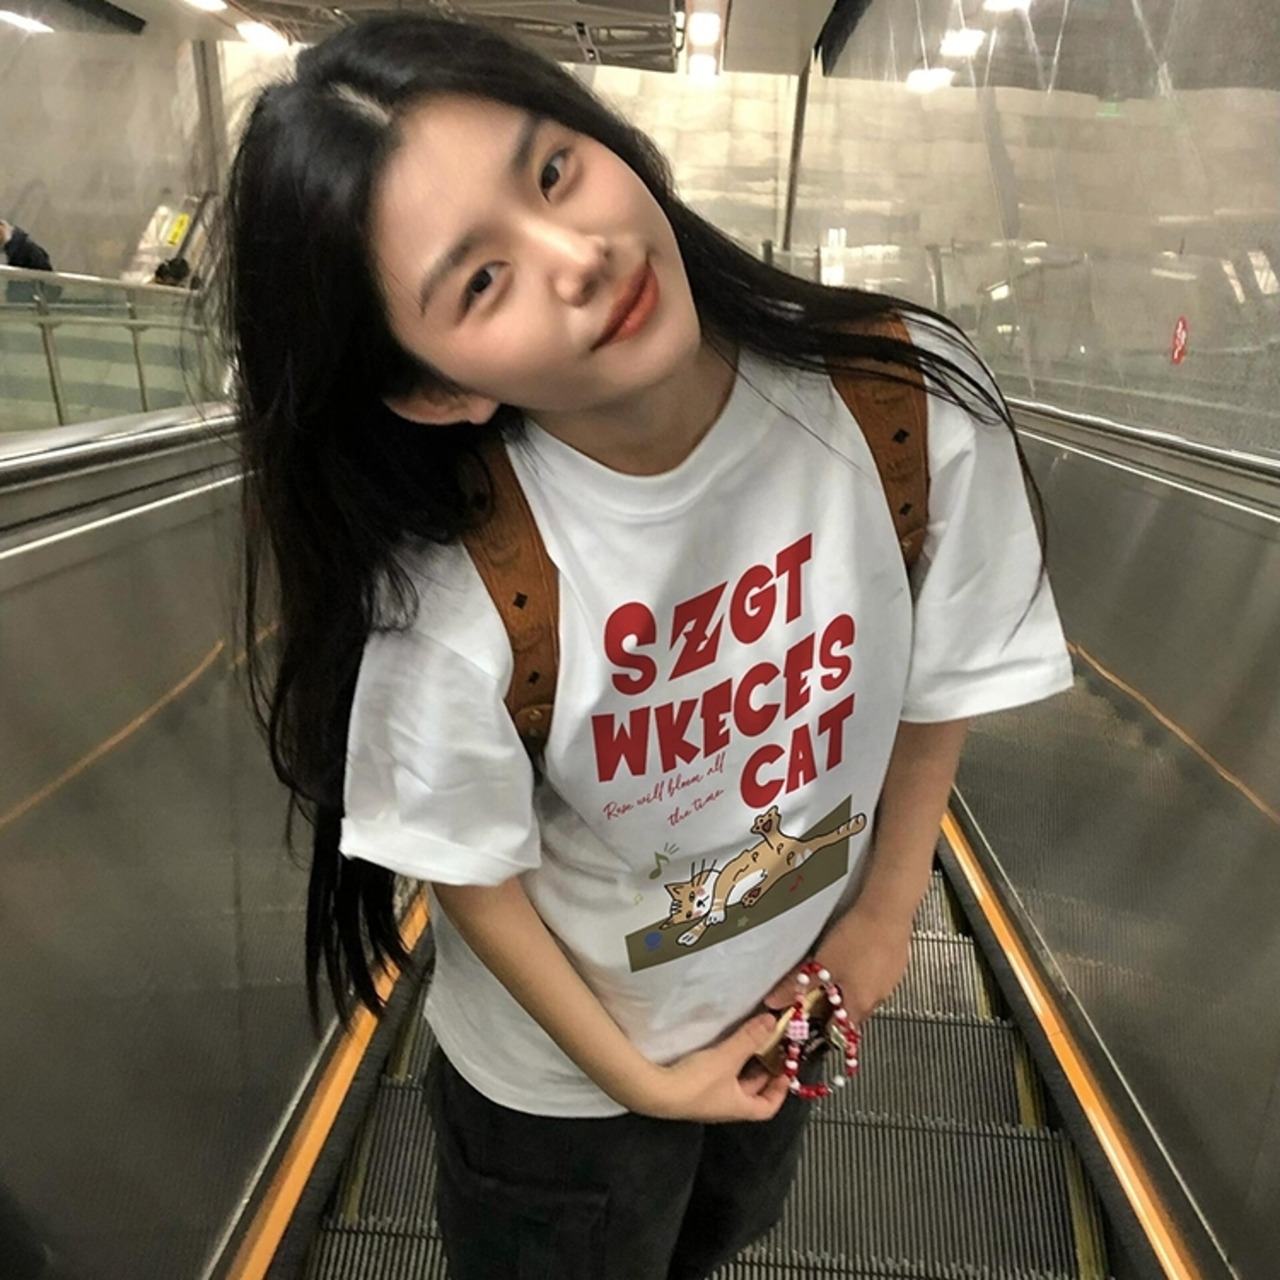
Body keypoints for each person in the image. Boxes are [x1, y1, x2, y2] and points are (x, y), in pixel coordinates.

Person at [219, 14, 1074, 1279]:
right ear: (437, 385)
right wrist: (640, 1079)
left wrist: (884, 916)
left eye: (552, 169)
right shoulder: (459, 586)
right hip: (559, 1088)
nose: (579, 255)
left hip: (788, 1000)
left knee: (720, 1231)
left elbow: (935, 672)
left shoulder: (899, 401)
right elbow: (472, 875)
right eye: (480, 280)